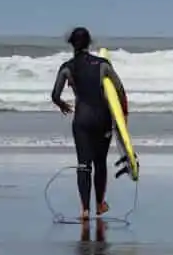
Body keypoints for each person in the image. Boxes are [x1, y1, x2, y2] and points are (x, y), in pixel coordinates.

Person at [50, 27, 129, 220]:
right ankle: (100, 204)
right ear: (89, 42)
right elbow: (119, 89)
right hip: (102, 118)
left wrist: (62, 105)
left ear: (71, 43)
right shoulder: (103, 64)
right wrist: (123, 116)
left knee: (83, 164)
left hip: (82, 119)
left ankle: (84, 209)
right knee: (100, 163)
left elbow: (55, 95)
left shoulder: (67, 66)